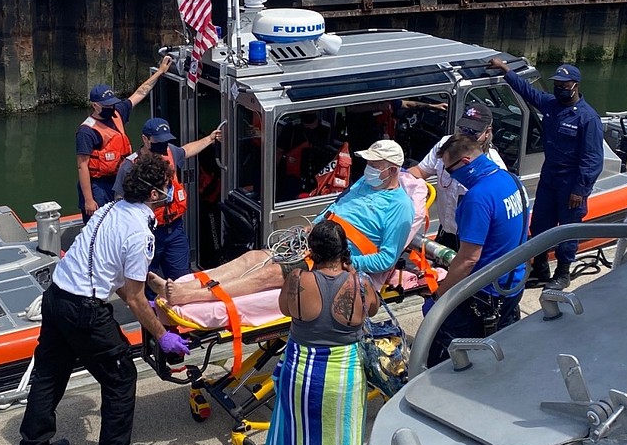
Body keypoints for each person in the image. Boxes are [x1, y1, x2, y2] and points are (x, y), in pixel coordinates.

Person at [19, 153, 191, 445]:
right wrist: (162, 335)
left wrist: (151, 280)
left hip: (56, 297)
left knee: (49, 373)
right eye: (167, 187)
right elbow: (136, 299)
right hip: (85, 308)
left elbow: (119, 273)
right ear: (155, 195)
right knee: (121, 376)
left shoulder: (109, 209)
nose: (171, 191)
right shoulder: (142, 233)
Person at [151, 139, 417, 305]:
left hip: (332, 258)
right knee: (253, 257)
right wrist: (312, 224)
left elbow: (386, 259)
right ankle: (185, 284)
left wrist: (345, 262)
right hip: (313, 240)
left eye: (374, 164)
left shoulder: (400, 207)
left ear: (392, 170)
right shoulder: (364, 184)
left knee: (268, 274)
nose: (368, 168)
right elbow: (336, 207)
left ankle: (190, 297)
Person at [259, 219, 380, 445]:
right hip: (344, 375)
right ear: (343, 250)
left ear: (311, 250)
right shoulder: (360, 284)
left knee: (296, 432)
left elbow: (284, 309)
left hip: (301, 370)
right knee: (343, 437)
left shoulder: (297, 280)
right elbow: (372, 310)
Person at [487, 58, 604, 290]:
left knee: (568, 229)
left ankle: (563, 273)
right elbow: (527, 91)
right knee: (540, 224)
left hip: (571, 183)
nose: (559, 88)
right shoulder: (551, 105)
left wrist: (580, 190)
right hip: (549, 177)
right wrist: (505, 70)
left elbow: (592, 159)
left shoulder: (587, 118)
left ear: (575, 85)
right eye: (557, 84)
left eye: (564, 84)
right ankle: (540, 268)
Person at [422, 133, 528, 367]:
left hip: (482, 297)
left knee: (444, 357)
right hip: (513, 285)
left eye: (450, 171)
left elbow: (469, 259)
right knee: (499, 349)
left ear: (465, 163)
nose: (450, 177)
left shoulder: (477, 198)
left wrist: (439, 296)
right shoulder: (511, 180)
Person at [113, 117, 223, 281]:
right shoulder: (130, 166)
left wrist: (209, 139)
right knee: (146, 278)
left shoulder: (170, 151)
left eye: (166, 140)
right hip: (148, 231)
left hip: (174, 228)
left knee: (181, 277)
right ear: (145, 139)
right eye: (158, 141)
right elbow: (119, 200)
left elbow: (186, 150)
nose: (163, 145)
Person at [76, 56, 173, 222]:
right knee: (100, 223)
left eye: (112, 103)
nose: (111, 107)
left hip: (120, 177)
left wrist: (160, 72)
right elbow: (82, 166)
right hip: (99, 185)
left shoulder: (117, 112)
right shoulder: (87, 131)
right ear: (95, 106)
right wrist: (89, 200)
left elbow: (140, 92)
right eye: (106, 105)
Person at [408, 103, 506, 250]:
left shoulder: (494, 166)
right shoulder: (445, 145)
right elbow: (420, 172)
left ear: (487, 132)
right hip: (446, 230)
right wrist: (397, 180)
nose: (467, 136)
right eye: (463, 129)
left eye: (473, 132)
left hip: (473, 239)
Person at [276, 111, 334, 200]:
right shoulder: (291, 127)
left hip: (319, 178)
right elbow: (279, 151)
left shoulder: (327, 128)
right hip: (294, 178)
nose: (307, 113)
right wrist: (274, 173)